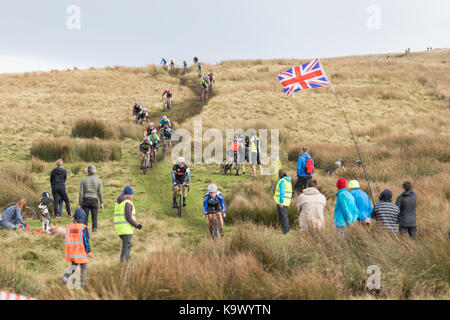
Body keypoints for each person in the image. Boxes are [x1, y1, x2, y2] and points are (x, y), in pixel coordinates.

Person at [61, 208, 92, 288]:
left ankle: (65, 278)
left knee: (73, 267)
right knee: (84, 268)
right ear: (83, 217)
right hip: (81, 253)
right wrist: (89, 251)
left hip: (72, 252)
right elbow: (86, 241)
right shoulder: (83, 228)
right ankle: (82, 284)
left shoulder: (70, 227)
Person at [114, 186, 142, 263]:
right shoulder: (127, 203)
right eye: (131, 194)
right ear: (128, 195)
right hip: (125, 229)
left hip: (120, 228)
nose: (132, 196)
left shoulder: (119, 202)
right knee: (126, 247)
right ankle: (124, 264)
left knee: (127, 246)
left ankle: (125, 263)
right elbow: (128, 217)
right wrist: (137, 225)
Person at [79, 164, 104, 232]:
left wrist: (80, 203)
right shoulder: (98, 180)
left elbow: (81, 193)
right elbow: (100, 192)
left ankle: (85, 229)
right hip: (94, 200)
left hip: (86, 200)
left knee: (85, 217)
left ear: (88, 171)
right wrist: (101, 202)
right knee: (94, 216)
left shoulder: (83, 180)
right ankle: (94, 229)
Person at [273, 169, 292, 235]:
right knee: (285, 216)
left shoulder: (282, 181)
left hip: (282, 202)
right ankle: (286, 230)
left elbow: (282, 192)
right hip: (286, 202)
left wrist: (281, 202)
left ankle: (285, 231)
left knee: (283, 217)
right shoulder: (288, 181)